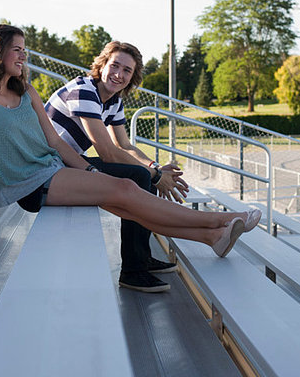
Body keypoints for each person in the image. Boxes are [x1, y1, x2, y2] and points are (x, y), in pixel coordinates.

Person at [0, 25, 261, 281]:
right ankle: (221, 219)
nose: (23, 57)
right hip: (25, 183)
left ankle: (212, 236)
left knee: (131, 206)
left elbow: (57, 144)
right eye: (16, 50)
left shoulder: (26, 90)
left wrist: (90, 173)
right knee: (129, 188)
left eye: (24, 51)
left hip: (52, 169)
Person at [45, 41, 191, 293]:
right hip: (50, 167)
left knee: (140, 175)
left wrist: (154, 167)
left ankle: (140, 258)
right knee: (137, 176)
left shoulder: (113, 101)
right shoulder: (84, 90)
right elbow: (107, 152)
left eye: (127, 70)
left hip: (68, 163)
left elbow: (124, 145)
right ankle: (133, 271)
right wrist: (155, 176)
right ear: (102, 65)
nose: (119, 75)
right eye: (115, 66)